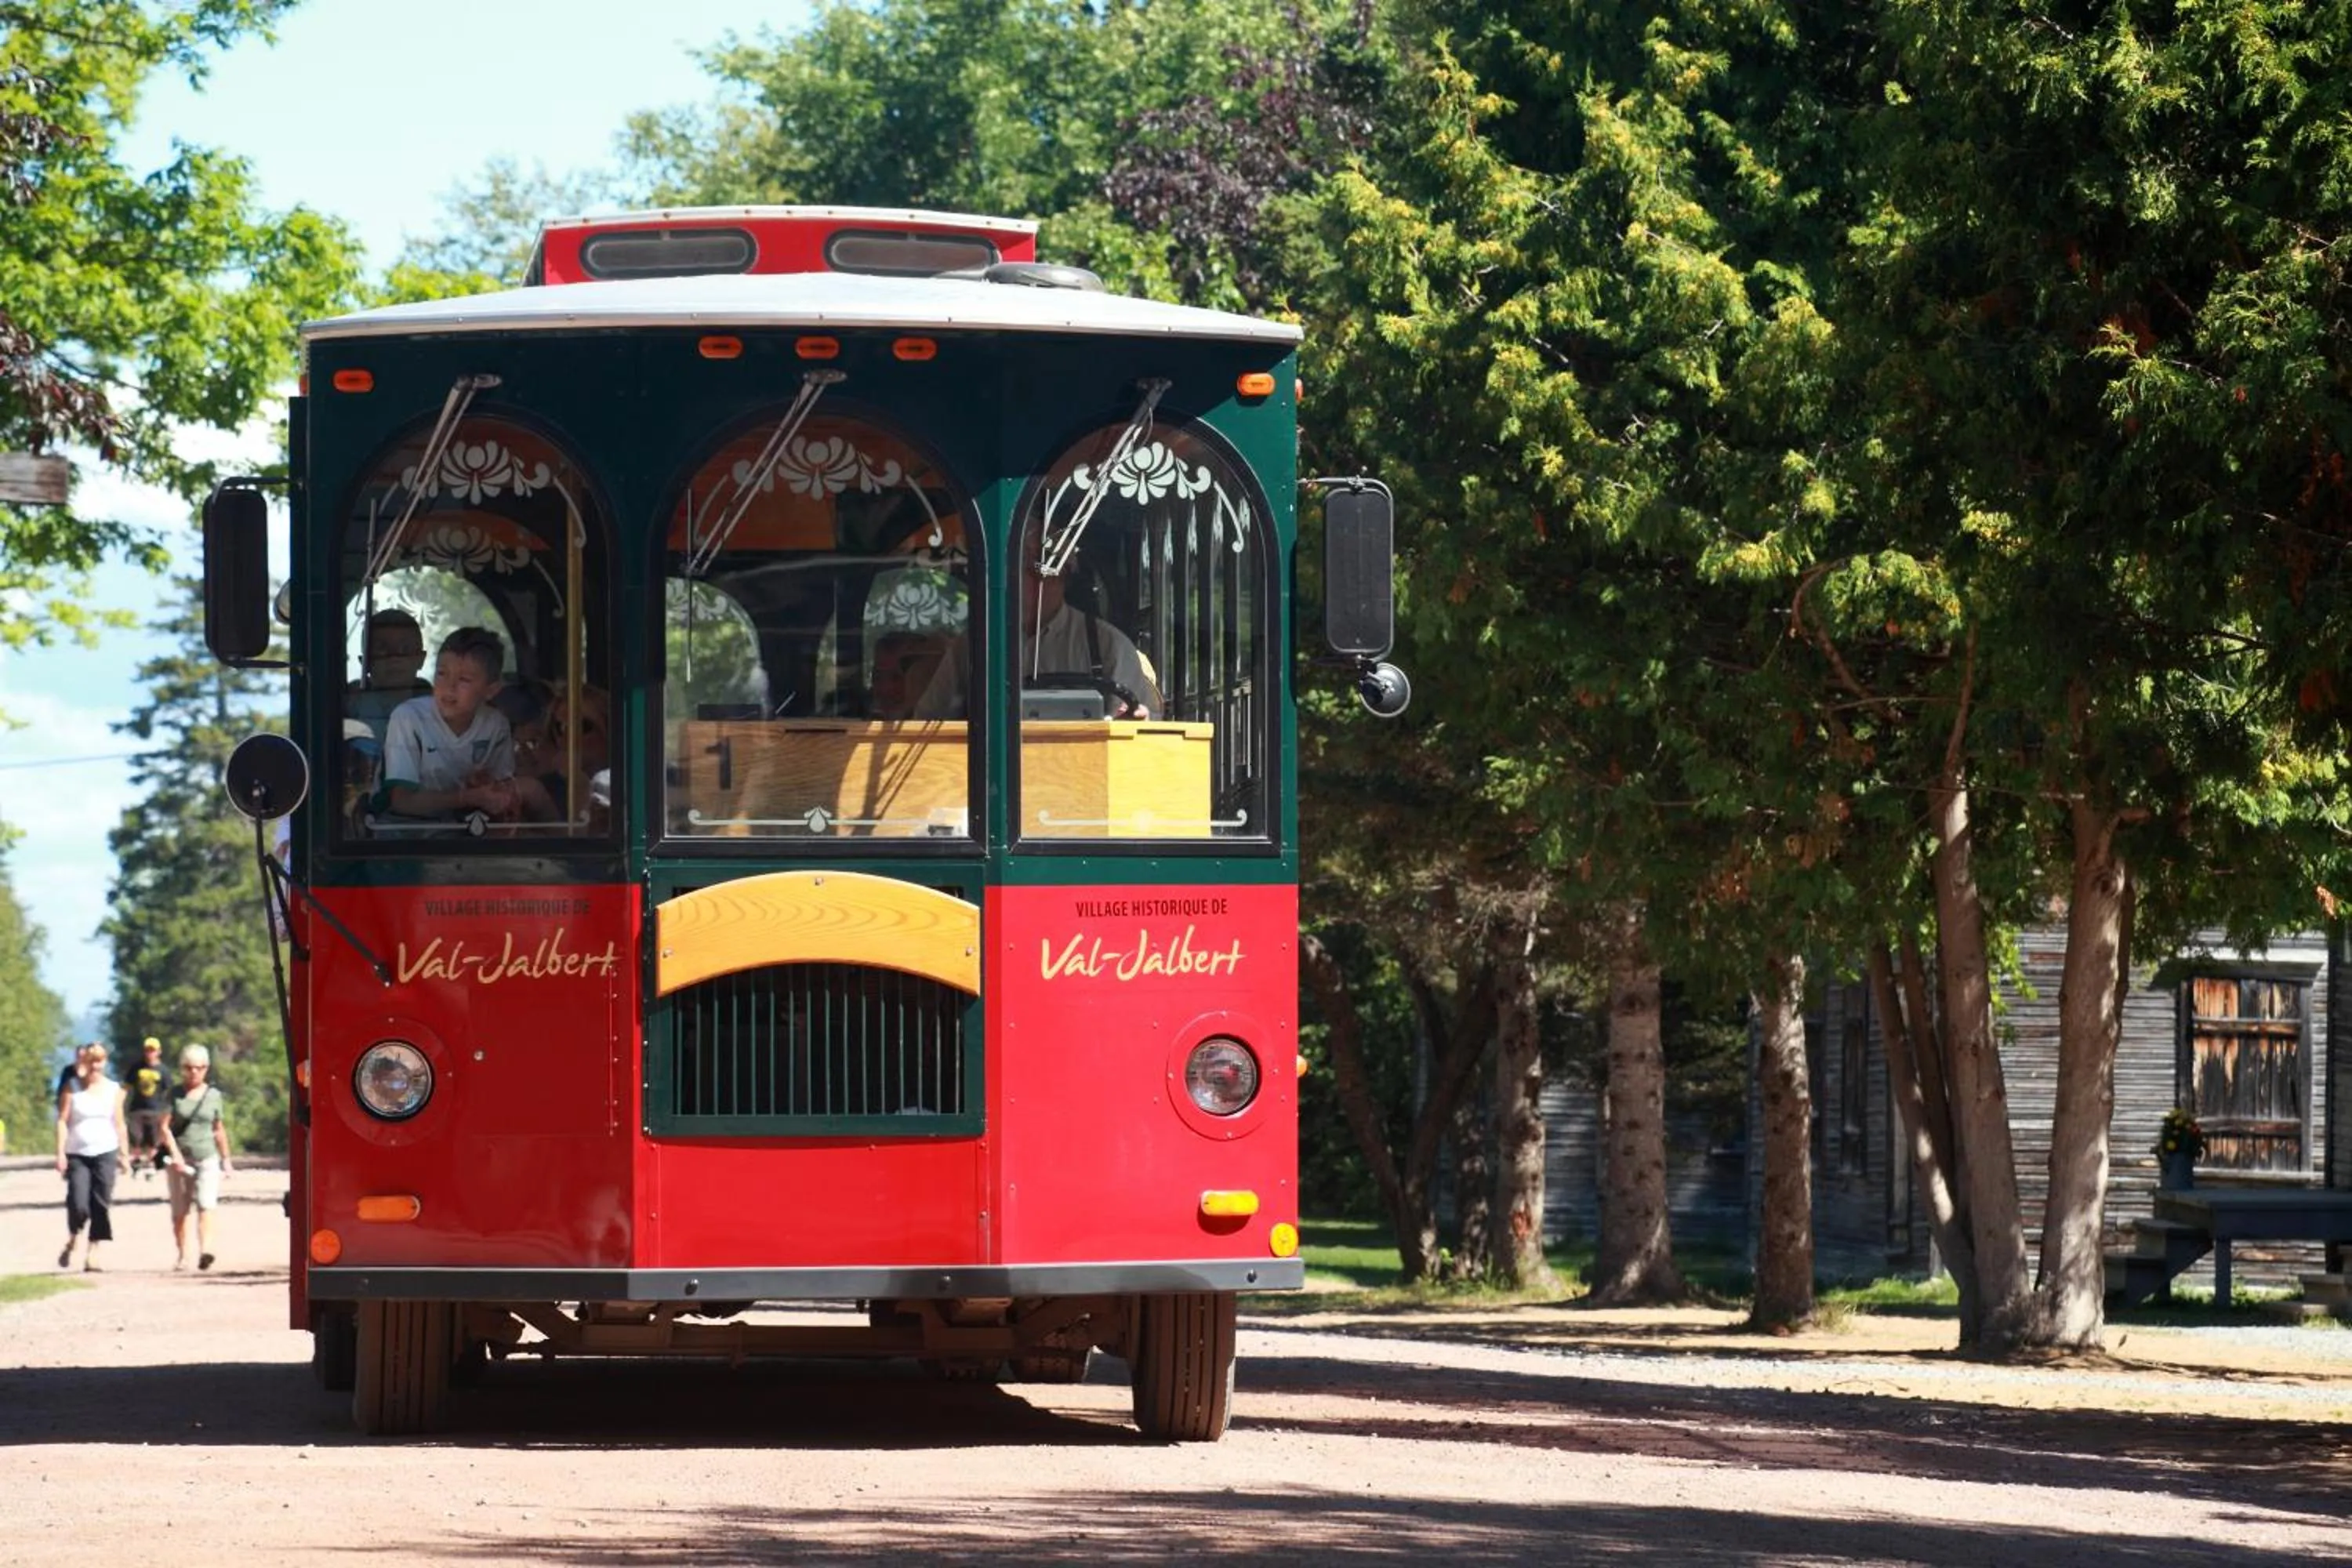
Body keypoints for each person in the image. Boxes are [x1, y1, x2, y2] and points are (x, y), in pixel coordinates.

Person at [914, 531, 1160, 720]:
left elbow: (1140, 734)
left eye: (1041, 569)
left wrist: (1137, 721)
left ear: (1065, 576)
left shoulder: (1108, 646)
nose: (1032, 580)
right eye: (1021, 567)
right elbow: (929, 718)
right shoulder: (973, 644)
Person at [379, 626, 517, 821]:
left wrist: (485, 785)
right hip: (408, 830)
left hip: (469, 827)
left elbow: (504, 786)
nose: (449, 687)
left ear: (491, 690)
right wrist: (468, 797)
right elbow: (402, 801)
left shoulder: (496, 725)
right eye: (442, 674)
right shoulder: (409, 718)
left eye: (464, 680)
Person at [54, 1042, 128, 1272]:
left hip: (106, 1150)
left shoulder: (114, 1089)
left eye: (99, 1061)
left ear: (105, 1063)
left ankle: (93, 1251)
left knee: (101, 1202)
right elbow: (62, 1120)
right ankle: (74, 1236)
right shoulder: (72, 1088)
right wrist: (60, 1153)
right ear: (83, 1063)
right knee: (79, 1203)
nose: (95, 1066)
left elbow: (119, 1123)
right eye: (91, 1061)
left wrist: (124, 1154)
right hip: (78, 1153)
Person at [159, 1043, 233, 1272]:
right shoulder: (174, 1095)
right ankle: (182, 1254)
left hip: (207, 1158)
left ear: (206, 1069)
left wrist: (226, 1159)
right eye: (189, 1067)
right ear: (182, 1068)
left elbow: (218, 1129)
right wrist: (176, 1155)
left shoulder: (213, 1096)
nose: (194, 1072)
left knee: (206, 1205)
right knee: (180, 1212)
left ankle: (205, 1251)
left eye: (199, 1068)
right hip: (179, 1161)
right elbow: (164, 1128)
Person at [344, 608, 430, 738]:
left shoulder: (437, 708)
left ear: (421, 659)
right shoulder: (351, 705)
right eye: (382, 649)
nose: (394, 658)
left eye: (405, 649)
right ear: (365, 662)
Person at [125, 1036, 170, 1178]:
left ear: (159, 1051)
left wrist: (166, 1111)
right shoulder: (136, 1068)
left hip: (155, 1109)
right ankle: (136, 1165)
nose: (150, 1053)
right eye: (147, 1050)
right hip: (136, 1109)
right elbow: (126, 1087)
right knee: (136, 1139)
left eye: (152, 1050)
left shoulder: (163, 1070)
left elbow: (168, 1091)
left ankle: (151, 1166)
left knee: (152, 1141)